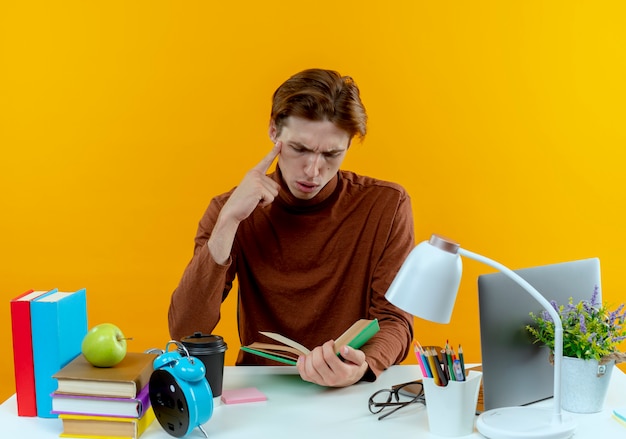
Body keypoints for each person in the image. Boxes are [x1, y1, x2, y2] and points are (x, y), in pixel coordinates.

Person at [168, 68, 414, 387]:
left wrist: (363, 365)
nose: (313, 170)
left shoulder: (386, 205)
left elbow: (395, 320)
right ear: (274, 131)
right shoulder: (230, 209)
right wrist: (228, 222)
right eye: (299, 149)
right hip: (262, 389)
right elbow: (186, 331)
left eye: (331, 154)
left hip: (350, 391)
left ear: (349, 145)